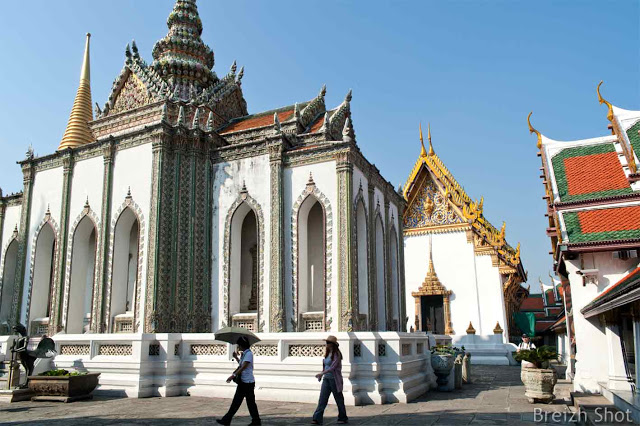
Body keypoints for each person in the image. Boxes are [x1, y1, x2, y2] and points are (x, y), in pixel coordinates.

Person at [216, 336, 261, 426]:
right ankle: (227, 419)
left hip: (247, 383)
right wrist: (236, 358)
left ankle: (256, 421)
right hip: (244, 382)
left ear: (242, 345)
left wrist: (233, 375)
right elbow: (241, 364)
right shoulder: (245, 354)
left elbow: (244, 367)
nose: (238, 347)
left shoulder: (249, 354)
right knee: (238, 402)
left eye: (239, 345)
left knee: (248, 403)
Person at [312, 335, 348, 425]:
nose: (327, 344)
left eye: (328, 343)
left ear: (332, 344)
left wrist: (322, 373)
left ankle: (343, 417)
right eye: (326, 343)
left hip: (334, 380)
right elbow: (325, 366)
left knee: (339, 399)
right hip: (326, 379)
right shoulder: (327, 354)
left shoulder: (337, 355)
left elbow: (333, 367)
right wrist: (321, 374)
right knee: (322, 399)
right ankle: (317, 418)